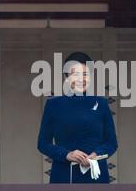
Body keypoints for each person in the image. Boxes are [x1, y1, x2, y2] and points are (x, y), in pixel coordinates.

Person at [37, 52, 118, 183]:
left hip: (95, 175)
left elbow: (111, 143)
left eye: (85, 74)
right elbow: (43, 144)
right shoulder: (54, 104)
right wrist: (67, 155)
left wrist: (96, 155)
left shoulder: (101, 104)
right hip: (63, 174)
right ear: (66, 77)